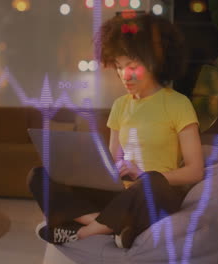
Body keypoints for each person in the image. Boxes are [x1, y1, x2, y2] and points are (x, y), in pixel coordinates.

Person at [27, 12, 204, 249]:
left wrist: (142, 174)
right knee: (39, 175)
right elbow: (112, 160)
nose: (124, 75)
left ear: (154, 63)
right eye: (119, 67)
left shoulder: (178, 104)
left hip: (154, 194)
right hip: (120, 196)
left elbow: (195, 171)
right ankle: (111, 226)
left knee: (152, 182)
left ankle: (82, 231)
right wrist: (95, 171)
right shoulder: (121, 106)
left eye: (132, 67)